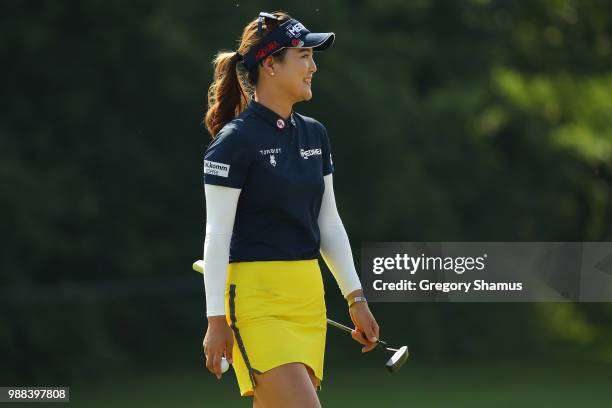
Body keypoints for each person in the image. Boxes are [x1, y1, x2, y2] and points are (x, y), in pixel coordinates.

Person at [201, 11, 380, 407]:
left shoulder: (315, 133)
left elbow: (328, 221)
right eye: (303, 56)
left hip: (307, 299)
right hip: (256, 303)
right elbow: (218, 234)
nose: (313, 66)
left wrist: (356, 297)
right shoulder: (233, 142)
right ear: (269, 63)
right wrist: (216, 319)